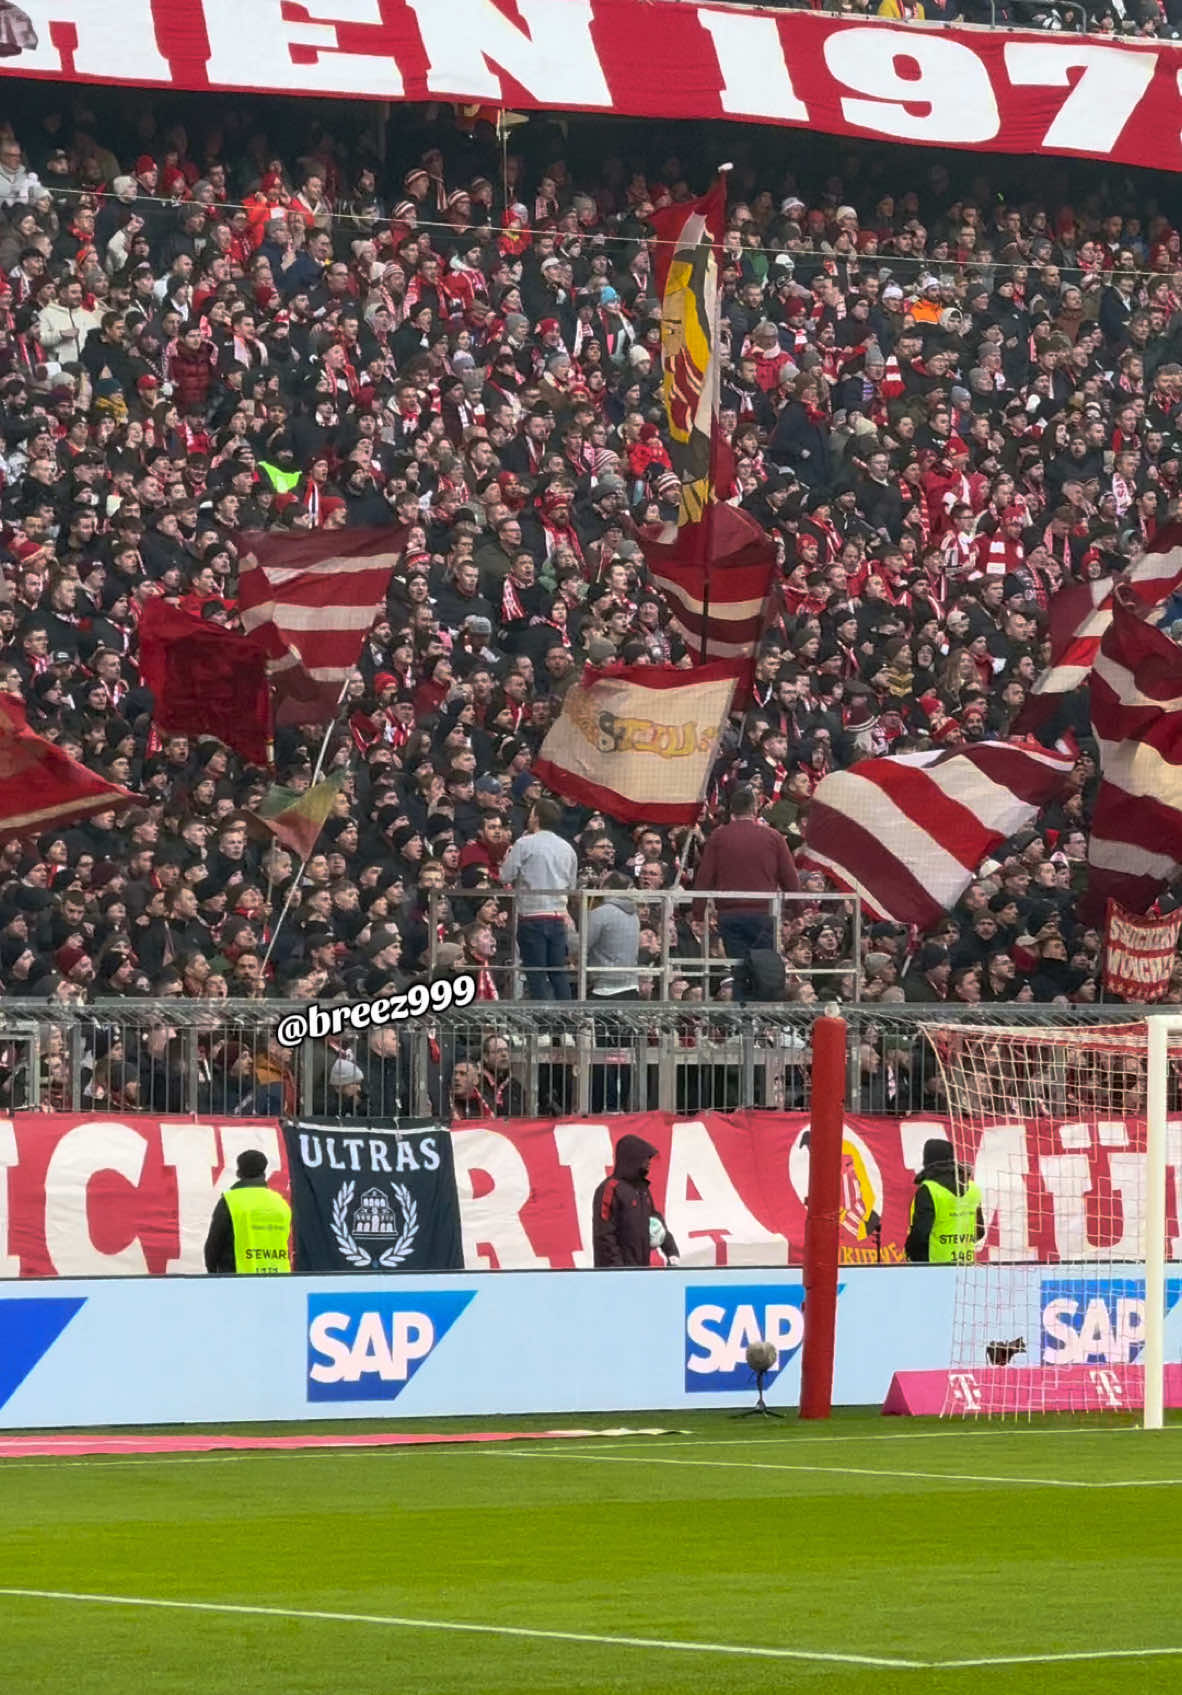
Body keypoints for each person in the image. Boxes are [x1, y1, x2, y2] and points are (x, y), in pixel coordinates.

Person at [692, 785, 799, 988]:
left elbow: (704, 878)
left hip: (730, 916)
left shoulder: (718, 837)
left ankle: (744, 1006)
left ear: (732, 810)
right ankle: (761, 1005)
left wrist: (698, 914)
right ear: (755, 808)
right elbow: (789, 878)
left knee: (740, 969)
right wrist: (798, 910)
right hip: (763, 914)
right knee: (764, 970)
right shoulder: (773, 837)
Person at [499, 796, 577, 1000]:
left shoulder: (524, 844)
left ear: (536, 818)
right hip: (557, 916)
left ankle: (542, 1019)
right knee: (558, 972)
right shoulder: (567, 848)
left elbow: (505, 876)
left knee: (536, 974)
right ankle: (567, 1017)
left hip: (532, 917)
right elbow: (572, 886)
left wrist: (507, 858)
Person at [592, 1133, 679, 1267]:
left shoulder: (642, 1190)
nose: (649, 1162)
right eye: (645, 1158)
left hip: (640, 1269)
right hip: (615, 1273)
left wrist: (672, 1253)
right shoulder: (610, 1189)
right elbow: (605, 1234)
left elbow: (656, 1223)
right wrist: (619, 1270)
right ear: (633, 1159)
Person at [203, 1149, 293, 1274]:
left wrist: (213, 1272)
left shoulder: (231, 1201)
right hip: (279, 1277)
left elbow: (214, 1245)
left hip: (239, 1278)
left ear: (239, 1172)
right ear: (264, 1172)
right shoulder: (280, 1203)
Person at [904, 1137, 985, 1264]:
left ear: (926, 1160)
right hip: (966, 1267)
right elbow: (979, 1232)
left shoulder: (929, 1190)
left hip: (935, 1267)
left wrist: (912, 1256)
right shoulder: (973, 1189)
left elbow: (920, 1235)